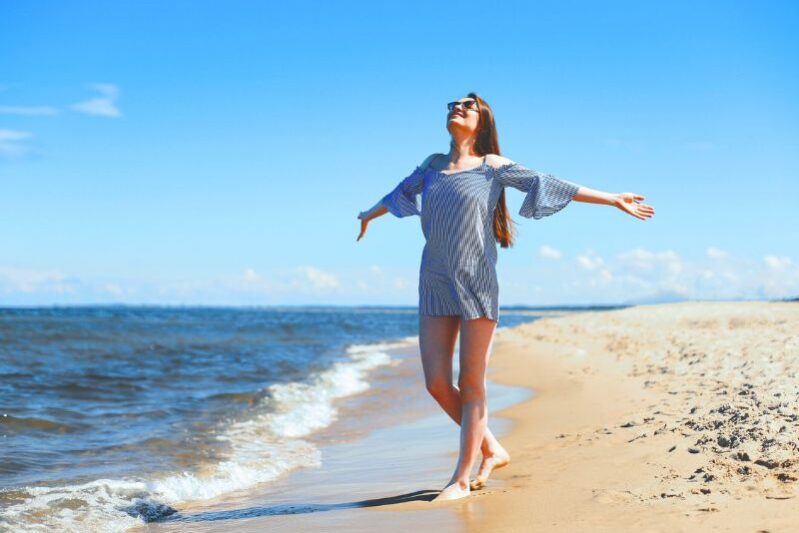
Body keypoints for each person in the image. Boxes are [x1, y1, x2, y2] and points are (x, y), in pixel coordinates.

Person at [355, 92, 655, 502]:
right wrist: (367, 215)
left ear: (482, 121)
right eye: (453, 104)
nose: (456, 107)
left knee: (471, 382)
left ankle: (460, 479)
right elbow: (398, 194)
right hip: (434, 280)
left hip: (477, 280)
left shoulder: (490, 167)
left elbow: (548, 182)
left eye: (468, 105)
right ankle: (491, 448)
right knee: (437, 383)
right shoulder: (431, 166)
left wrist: (611, 198)